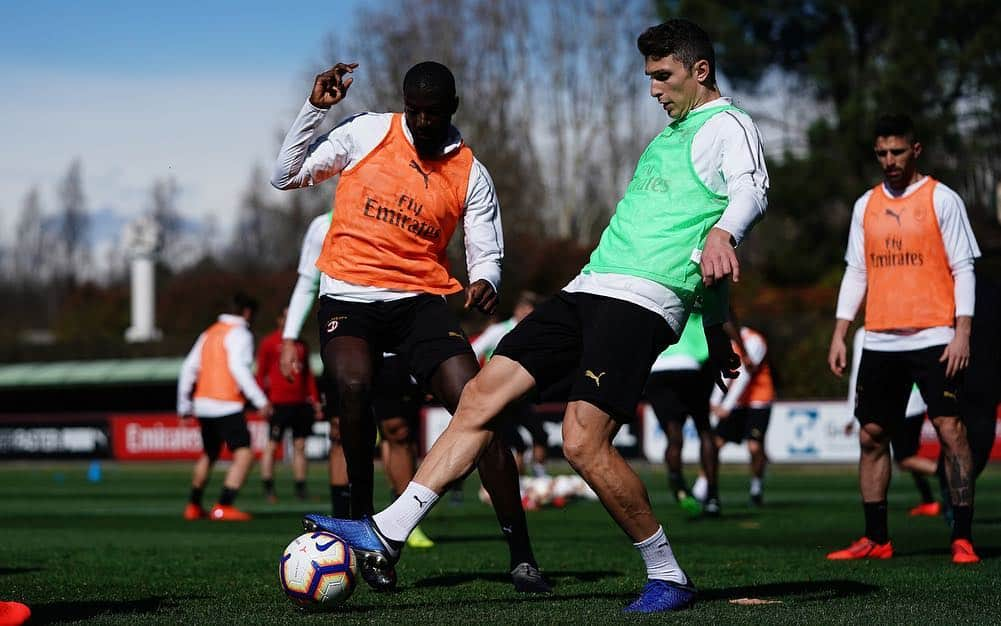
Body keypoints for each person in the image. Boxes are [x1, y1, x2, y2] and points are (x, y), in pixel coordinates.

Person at [305, 19, 768, 614]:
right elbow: (706, 251)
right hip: (588, 289)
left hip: (644, 301)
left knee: (582, 442)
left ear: (699, 71)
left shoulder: (729, 125)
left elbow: (749, 193)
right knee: (480, 398)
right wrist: (716, 322)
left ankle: (667, 574)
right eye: (649, 77)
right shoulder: (667, 139)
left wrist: (728, 234)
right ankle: (387, 531)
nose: (653, 89)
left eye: (662, 76)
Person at [271, 61, 547, 592]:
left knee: (480, 409)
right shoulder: (369, 131)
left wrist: (486, 279)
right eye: (414, 110)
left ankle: (521, 552)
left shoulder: (471, 171)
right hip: (349, 295)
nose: (421, 122)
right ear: (404, 104)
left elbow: (486, 251)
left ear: (452, 110)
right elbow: (286, 176)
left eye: (433, 113)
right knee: (353, 387)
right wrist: (315, 110)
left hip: (421, 302)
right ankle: (362, 524)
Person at [827, 114, 981, 564]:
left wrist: (962, 332)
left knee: (952, 431)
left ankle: (962, 536)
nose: (889, 161)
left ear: (916, 150)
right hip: (880, 339)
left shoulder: (942, 199)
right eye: (881, 153)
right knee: (872, 436)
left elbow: (963, 268)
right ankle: (876, 538)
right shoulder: (865, 206)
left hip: (936, 335)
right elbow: (856, 271)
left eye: (897, 152)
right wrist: (841, 332)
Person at [177, 293, 272, 521]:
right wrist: (260, 401)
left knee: (209, 453)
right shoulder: (240, 333)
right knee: (244, 454)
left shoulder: (209, 333)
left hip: (203, 404)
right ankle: (224, 505)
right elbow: (238, 368)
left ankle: (193, 505)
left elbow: (188, 368)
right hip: (226, 403)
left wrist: (184, 405)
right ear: (247, 312)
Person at [846, 327, 941, 516]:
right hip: (915, 402)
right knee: (906, 454)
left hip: (896, 404)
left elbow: (858, 371)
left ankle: (950, 476)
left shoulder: (865, 333)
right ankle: (929, 500)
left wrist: (852, 413)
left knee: (902, 458)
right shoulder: (912, 325)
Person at [643, 307, 716, 517]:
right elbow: (721, 320)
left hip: (657, 369)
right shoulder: (699, 290)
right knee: (704, 430)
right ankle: (711, 497)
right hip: (690, 365)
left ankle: (679, 487)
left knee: (674, 436)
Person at [472, 291, 549, 477]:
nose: (527, 315)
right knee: (514, 441)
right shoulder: (498, 331)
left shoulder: (536, 333)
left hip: (521, 395)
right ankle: (516, 482)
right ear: (518, 310)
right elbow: (474, 351)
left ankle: (540, 475)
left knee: (540, 434)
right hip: (498, 395)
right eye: (525, 310)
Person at [256, 307, 322, 503]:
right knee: (272, 446)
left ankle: (301, 488)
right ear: (279, 320)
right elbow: (260, 374)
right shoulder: (269, 343)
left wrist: (315, 400)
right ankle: (268, 488)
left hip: (300, 404)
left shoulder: (302, 345)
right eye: (286, 317)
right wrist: (263, 400)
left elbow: (308, 374)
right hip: (278, 403)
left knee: (300, 445)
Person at [709, 324, 774, 511]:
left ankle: (756, 487)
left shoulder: (754, 340)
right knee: (715, 444)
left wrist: (726, 406)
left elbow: (744, 374)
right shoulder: (729, 343)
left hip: (758, 400)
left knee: (754, 446)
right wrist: (715, 400)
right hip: (738, 402)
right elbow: (726, 373)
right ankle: (703, 490)